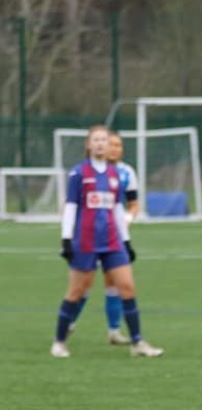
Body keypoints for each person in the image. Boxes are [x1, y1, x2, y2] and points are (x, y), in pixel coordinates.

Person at [50, 125, 163, 358]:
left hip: (112, 241)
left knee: (127, 288)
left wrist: (127, 241)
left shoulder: (114, 174)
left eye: (105, 140)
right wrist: (66, 239)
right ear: (89, 145)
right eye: (97, 140)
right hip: (86, 241)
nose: (102, 144)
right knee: (76, 291)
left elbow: (117, 209)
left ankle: (137, 343)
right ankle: (59, 342)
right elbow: (71, 207)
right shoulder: (79, 173)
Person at [68, 130, 139, 344]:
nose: (115, 149)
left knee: (116, 282)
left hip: (114, 236)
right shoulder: (86, 171)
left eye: (119, 145)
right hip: (89, 235)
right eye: (112, 144)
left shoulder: (126, 172)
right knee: (84, 284)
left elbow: (133, 204)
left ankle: (114, 331)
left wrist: (126, 219)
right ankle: (69, 322)